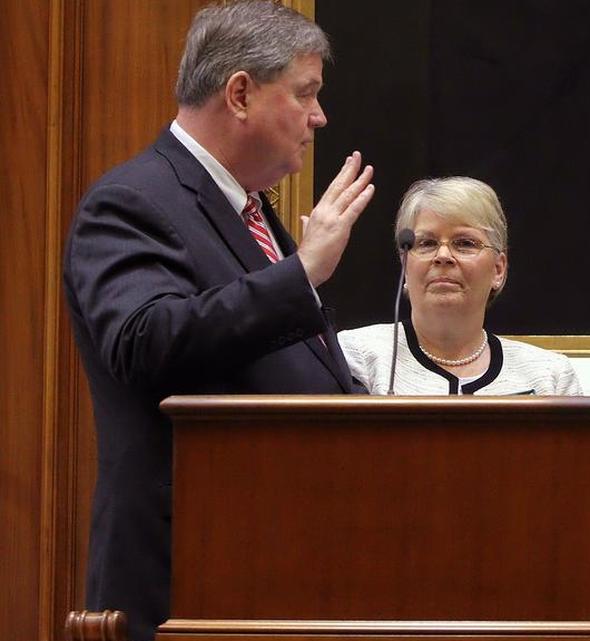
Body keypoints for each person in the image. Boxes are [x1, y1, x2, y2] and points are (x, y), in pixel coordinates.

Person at [62, 3, 374, 640]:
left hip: (276, 562)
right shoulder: (132, 200)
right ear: (239, 93)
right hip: (189, 575)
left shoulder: (248, 210)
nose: (320, 116)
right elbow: (146, 340)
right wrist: (302, 274)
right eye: (306, 93)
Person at [338, 177, 582, 395]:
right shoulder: (358, 355)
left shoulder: (551, 377)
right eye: (427, 243)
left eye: (465, 243)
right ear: (405, 264)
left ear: (498, 269)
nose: (443, 255)